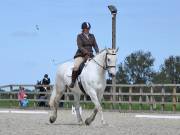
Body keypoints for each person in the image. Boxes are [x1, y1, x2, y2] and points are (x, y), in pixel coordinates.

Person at [69, 22, 99, 88]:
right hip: (80, 55)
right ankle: (73, 82)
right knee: (76, 67)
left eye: (88, 29)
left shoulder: (92, 36)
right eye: (86, 29)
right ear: (83, 29)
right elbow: (80, 46)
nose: (87, 30)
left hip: (90, 55)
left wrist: (97, 52)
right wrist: (86, 52)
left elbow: (95, 45)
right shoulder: (79, 36)